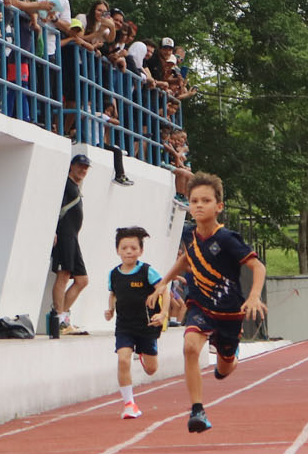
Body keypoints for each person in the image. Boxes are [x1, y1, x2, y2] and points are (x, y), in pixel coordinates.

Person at [147, 171, 268, 434]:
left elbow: (257, 266)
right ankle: (197, 410)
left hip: (229, 312)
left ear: (219, 206)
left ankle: (229, 358)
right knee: (190, 347)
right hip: (199, 305)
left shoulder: (227, 239)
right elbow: (186, 260)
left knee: (224, 369)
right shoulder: (189, 234)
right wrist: (163, 282)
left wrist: (254, 296)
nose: (199, 205)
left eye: (205, 201)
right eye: (194, 201)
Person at [105, 226, 169, 419]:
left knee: (151, 369)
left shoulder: (147, 271)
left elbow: (164, 291)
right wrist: (110, 310)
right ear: (118, 250)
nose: (129, 251)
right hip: (124, 326)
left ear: (140, 250)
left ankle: (142, 353)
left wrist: (163, 313)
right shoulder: (113, 274)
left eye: (133, 248)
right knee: (123, 359)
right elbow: (113, 294)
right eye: (124, 248)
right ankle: (129, 404)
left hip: (147, 325)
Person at [50, 154, 92, 335]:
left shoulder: (74, 186)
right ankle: (59, 321)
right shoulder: (64, 184)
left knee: (82, 280)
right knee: (63, 275)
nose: (83, 170)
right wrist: (52, 230)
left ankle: (60, 320)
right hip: (65, 235)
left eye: (85, 167)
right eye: (80, 166)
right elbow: (53, 205)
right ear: (72, 166)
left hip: (73, 237)